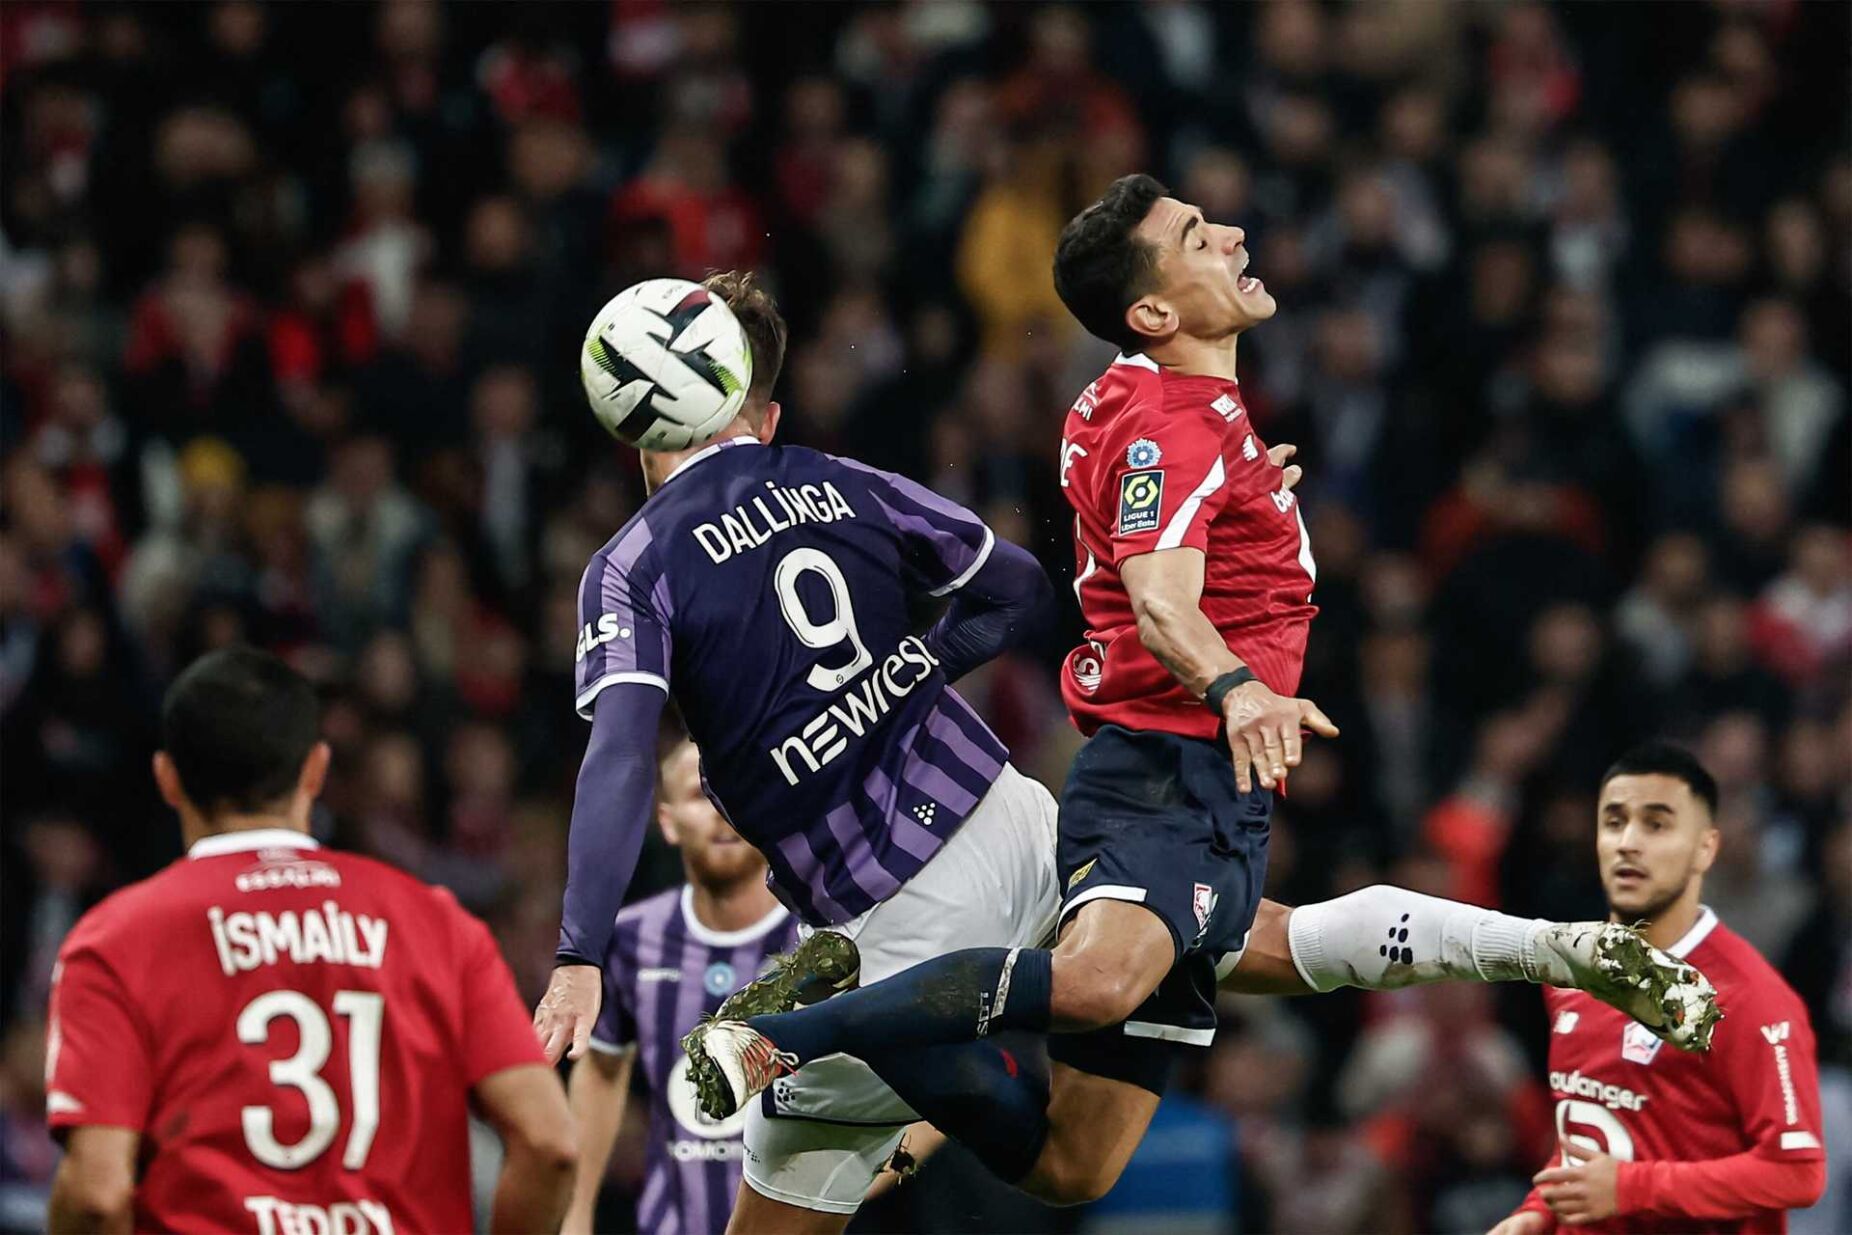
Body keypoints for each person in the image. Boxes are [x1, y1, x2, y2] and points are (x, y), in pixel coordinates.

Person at [688, 176, 1720, 1214]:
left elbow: (1137, 516)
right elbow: (1155, 598)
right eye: (1194, 234)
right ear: (1153, 312)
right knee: (1098, 978)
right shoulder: (1175, 420)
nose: (1229, 231)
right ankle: (777, 1039)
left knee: (1072, 1162)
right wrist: (1234, 686)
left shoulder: (1162, 409)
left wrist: (1242, 493)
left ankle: (1566, 947)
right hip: (1160, 767)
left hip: (1212, 790)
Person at [530, 269, 1068, 1232]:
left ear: (635, 425)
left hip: (895, 916)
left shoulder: (634, 564)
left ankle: (805, 1044)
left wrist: (579, 948)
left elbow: (617, 757)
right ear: (760, 413)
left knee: (807, 1201)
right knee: (1221, 968)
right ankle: (1432, 936)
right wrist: (916, 666)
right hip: (1020, 817)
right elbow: (1018, 584)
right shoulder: (832, 475)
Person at [43, 648, 576, 1235]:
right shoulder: (437, 924)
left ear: (168, 779)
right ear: (315, 771)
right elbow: (550, 1143)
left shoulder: (116, 940)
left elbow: (97, 1194)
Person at [1489, 743, 1826, 1235]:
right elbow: (1597, 1128)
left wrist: (1631, 1188)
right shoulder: (1570, 973)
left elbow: (1797, 1172)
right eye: (1614, 821)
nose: (1628, 842)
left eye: (1656, 824)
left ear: (1706, 848)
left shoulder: (1751, 998)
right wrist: (1535, 1214)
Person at [563, 737, 800, 1235]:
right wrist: (576, 1211)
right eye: (699, 795)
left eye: (733, 789)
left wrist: (850, 1182)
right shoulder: (631, 938)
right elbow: (602, 1072)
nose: (720, 811)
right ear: (668, 822)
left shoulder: (821, 939)